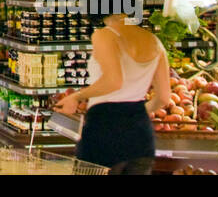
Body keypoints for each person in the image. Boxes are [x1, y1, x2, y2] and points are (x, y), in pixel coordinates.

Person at [55, 12, 171, 174]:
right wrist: (133, 115)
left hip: (104, 129)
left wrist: (76, 97)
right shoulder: (154, 41)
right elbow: (164, 97)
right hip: (140, 135)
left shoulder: (105, 35)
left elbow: (113, 81)